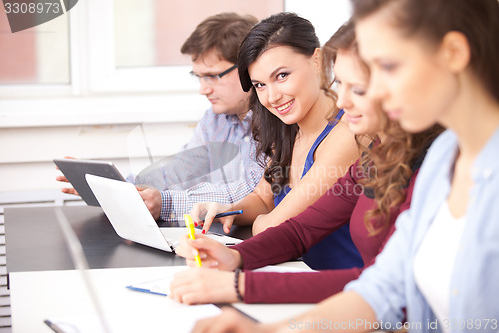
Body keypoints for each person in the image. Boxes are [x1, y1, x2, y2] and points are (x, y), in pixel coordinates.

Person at [188, 0, 499, 331]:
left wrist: (242, 286)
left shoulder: (430, 156)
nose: (356, 97)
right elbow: (383, 288)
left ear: (453, 53)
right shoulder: (443, 157)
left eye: (387, 67)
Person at [169, 20, 442, 305]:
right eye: (340, 83)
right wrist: (235, 256)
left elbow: (384, 283)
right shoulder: (377, 154)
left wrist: (241, 285)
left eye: (357, 88)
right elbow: (299, 230)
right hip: (351, 300)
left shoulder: (433, 162)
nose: (342, 100)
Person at [191, 12, 362, 270]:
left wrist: (258, 221)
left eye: (282, 76)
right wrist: (228, 209)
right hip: (294, 272)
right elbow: (263, 197)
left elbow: (272, 227)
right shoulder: (290, 128)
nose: (272, 97)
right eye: (260, 85)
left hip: (339, 284)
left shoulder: (345, 134)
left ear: (317, 61)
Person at [56, 13, 264, 222]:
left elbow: (256, 193)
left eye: (211, 76)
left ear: (248, 67)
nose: (203, 90)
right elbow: (179, 173)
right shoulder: (215, 119)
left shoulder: (275, 122)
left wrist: (166, 203)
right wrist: (122, 188)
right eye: (198, 77)